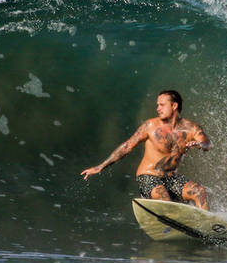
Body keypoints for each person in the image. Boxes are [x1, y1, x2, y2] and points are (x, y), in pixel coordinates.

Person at [80, 90, 212, 209]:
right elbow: (127, 146)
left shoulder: (192, 128)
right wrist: (101, 166)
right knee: (164, 197)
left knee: (199, 191)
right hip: (148, 176)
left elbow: (207, 143)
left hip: (171, 178)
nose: (158, 108)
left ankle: (208, 227)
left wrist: (200, 145)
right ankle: (168, 224)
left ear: (174, 106)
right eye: (157, 105)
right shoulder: (150, 126)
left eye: (162, 105)